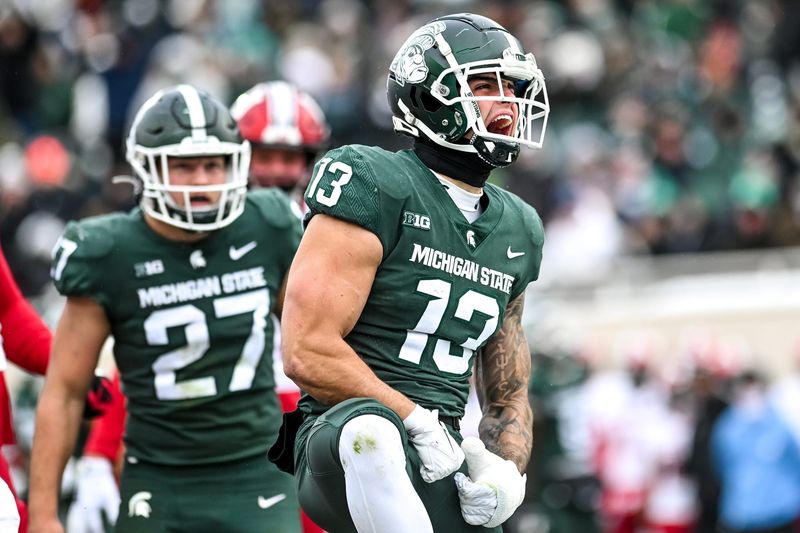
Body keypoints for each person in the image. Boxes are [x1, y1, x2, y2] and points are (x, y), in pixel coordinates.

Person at [272, 13, 549, 533]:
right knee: (373, 433)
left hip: (440, 453)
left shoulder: (519, 228)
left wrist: (507, 470)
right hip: (339, 440)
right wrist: (413, 417)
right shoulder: (374, 180)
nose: (508, 103)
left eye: (513, 87)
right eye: (486, 84)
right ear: (431, 96)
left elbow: (507, 390)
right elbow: (305, 349)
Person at [28, 84, 304, 533]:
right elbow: (64, 392)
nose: (201, 181)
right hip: (158, 477)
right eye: (183, 166)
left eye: (212, 165)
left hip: (258, 471)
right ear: (146, 169)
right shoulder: (109, 252)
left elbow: (310, 347)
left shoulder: (269, 224)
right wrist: (42, 516)